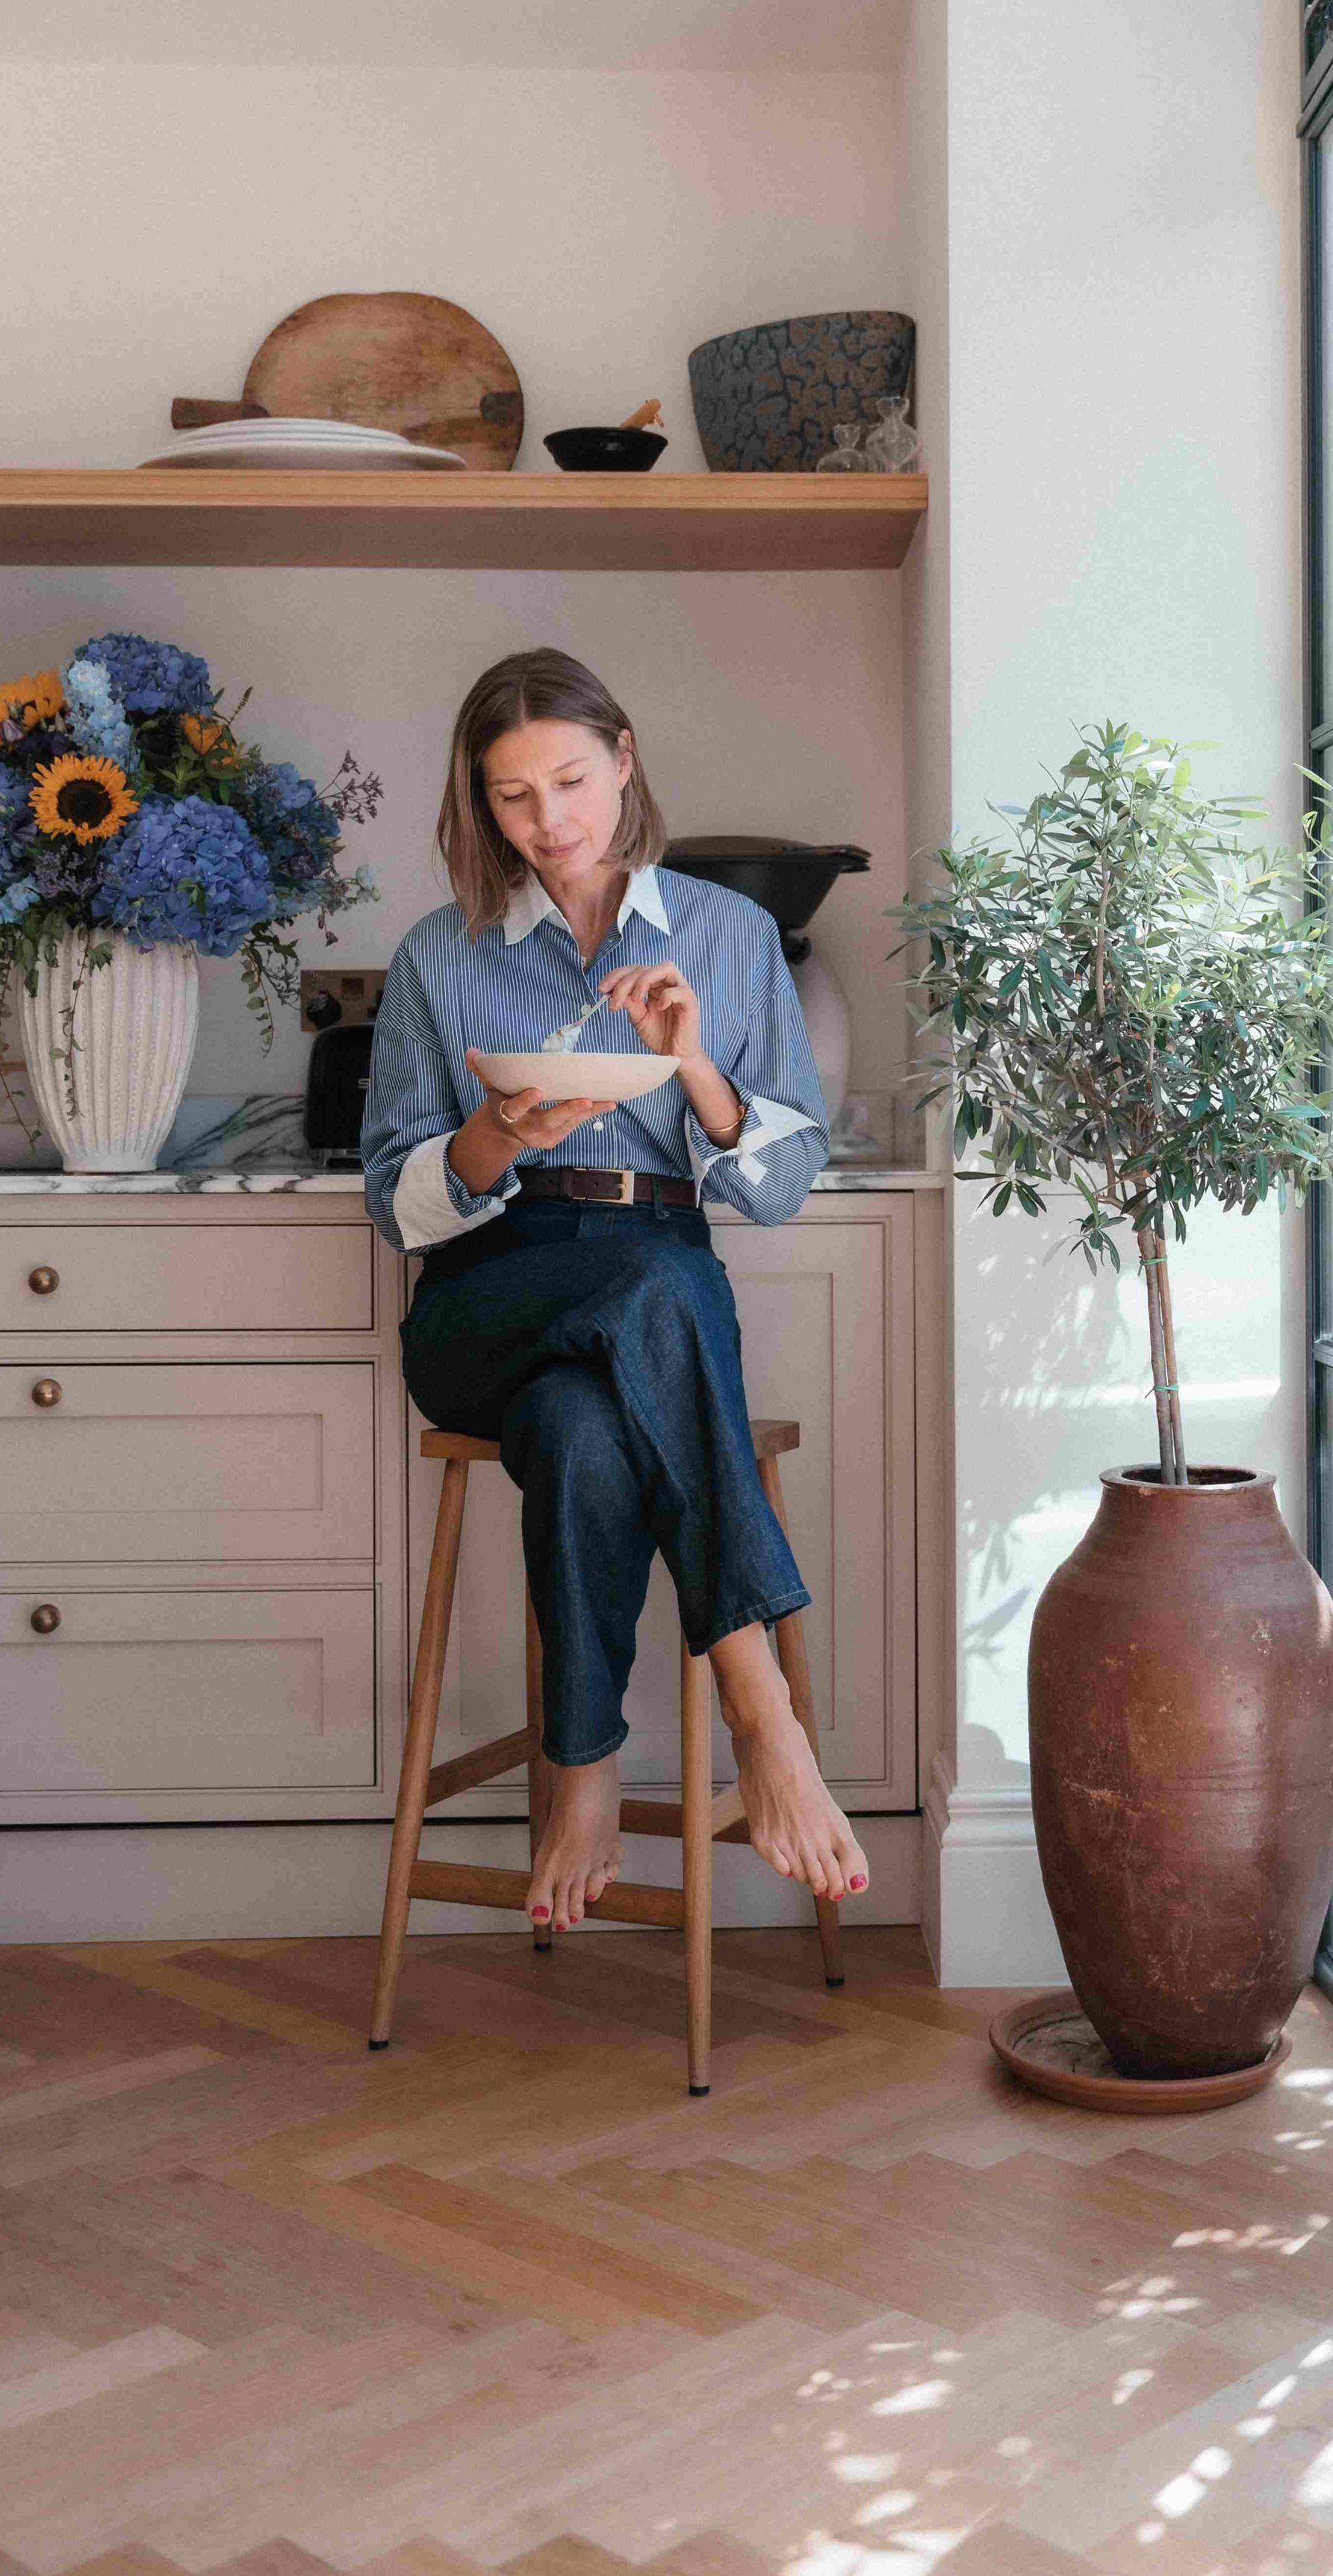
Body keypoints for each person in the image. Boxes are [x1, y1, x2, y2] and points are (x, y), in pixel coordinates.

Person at [362, 645, 871, 1934]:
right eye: (514, 795)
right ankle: (762, 1706)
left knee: (584, 1427)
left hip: (655, 1268)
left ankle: (581, 1764)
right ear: (482, 803)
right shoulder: (438, 954)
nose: (550, 819)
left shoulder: (728, 936)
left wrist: (692, 1062)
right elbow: (392, 1198)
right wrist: (494, 1137)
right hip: (492, 1289)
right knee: (651, 1284)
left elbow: (780, 1180)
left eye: (572, 781)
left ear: (625, 759)